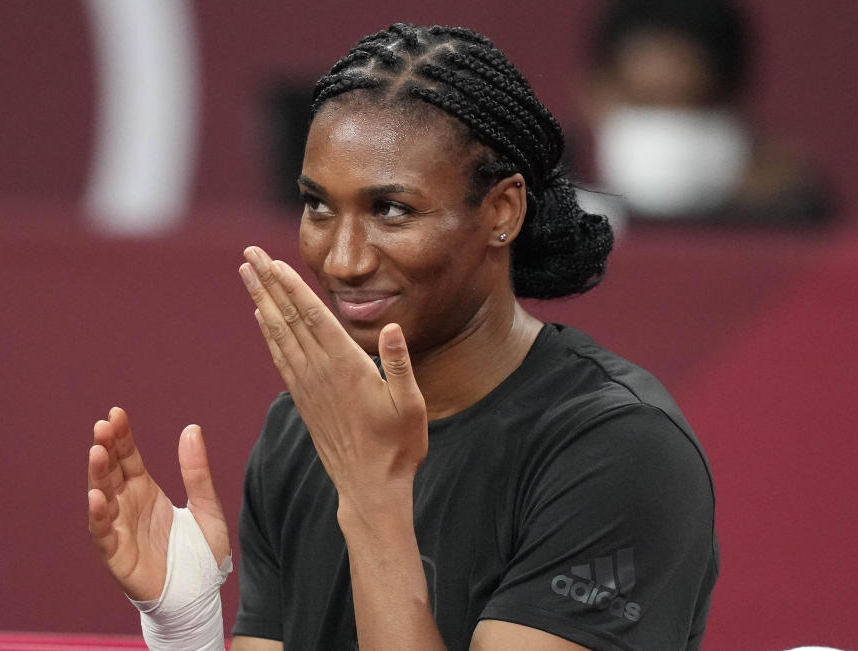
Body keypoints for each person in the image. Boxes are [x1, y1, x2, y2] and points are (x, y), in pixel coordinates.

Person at [87, 23, 718, 650]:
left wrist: (371, 499)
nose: (343, 259)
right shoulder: (302, 431)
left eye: (392, 210)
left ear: (501, 212)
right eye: (317, 206)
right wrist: (187, 632)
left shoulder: (619, 448)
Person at [576, 0, 831, 224]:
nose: (669, 127)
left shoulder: (783, 204)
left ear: (736, 104)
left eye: (691, 104)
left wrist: (779, 208)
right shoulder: (545, 195)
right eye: (645, 101)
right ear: (593, 97)